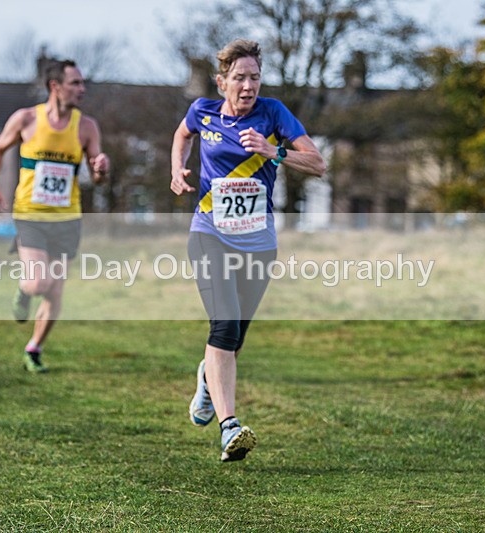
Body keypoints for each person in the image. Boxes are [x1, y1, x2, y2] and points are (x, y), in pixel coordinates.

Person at [170, 39, 326, 461]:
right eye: (239, 77)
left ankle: (208, 377)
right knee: (223, 327)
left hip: (258, 243)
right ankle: (229, 428)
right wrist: (177, 169)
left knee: (234, 339)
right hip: (209, 234)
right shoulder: (202, 111)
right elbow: (182, 135)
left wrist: (274, 151)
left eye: (255, 77)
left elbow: (318, 163)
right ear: (222, 81)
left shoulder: (273, 113)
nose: (248, 86)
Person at [0, 59, 109, 373]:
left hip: (67, 218)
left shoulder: (86, 126)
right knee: (39, 282)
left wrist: (100, 169)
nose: (82, 89)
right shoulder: (26, 119)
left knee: (55, 290)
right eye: (75, 83)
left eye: (82, 83)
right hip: (30, 214)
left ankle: (34, 348)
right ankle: (24, 290)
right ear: (55, 86)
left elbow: (97, 177)